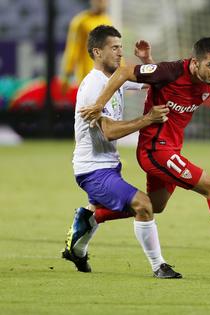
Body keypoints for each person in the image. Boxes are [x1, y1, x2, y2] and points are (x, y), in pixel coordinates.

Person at [80, 37, 210, 258]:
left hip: (172, 150)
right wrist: (99, 104)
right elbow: (125, 72)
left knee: (155, 205)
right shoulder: (170, 71)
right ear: (195, 62)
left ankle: (92, 217)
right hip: (155, 151)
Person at [62, 24, 181, 279]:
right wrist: (148, 119)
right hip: (92, 169)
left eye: (120, 47)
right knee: (144, 205)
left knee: (101, 212)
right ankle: (158, 265)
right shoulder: (94, 86)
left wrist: (146, 60)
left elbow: (153, 83)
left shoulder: (115, 79)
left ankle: (78, 248)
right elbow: (108, 132)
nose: (119, 53)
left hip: (108, 164)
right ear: (97, 52)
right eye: (114, 48)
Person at [61, 0, 112, 90]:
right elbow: (73, 49)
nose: (103, 2)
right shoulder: (81, 22)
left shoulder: (107, 21)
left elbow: (114, 50)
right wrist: (67, 75)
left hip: (106, 79)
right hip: (87, 77)